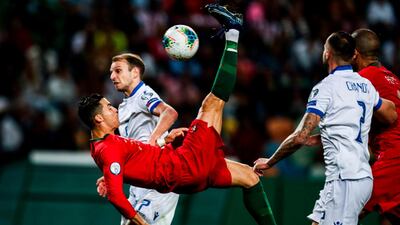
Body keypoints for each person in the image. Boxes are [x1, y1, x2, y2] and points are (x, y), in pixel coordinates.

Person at [78, 3, 276, 225]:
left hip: (178, 172)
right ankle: (232, 32)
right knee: (213, 103)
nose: (112, 107)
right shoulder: (111, 142)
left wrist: (162, 141)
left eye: (117, 71)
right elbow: (125, 167)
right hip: (181, 167)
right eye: (107, 108)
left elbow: (152, 133)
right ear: (98, 118)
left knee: (250, 178)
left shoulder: (114, 132)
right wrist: (156, 143)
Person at [253, 31, 397, 225]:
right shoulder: (368, 84)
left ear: (327, 54)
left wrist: (270, 162)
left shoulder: (328, 86)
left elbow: (300, 136)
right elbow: (391, 114)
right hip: (356, 176)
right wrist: (327, 134)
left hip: (349, 177)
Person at [96, 52, 180, 225]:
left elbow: (169, 112)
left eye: (118, 71)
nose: (112, 76)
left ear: (135, 72)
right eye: (111, 72)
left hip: (159, 179)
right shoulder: (124, 106)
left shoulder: (143, 94)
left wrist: (154, 139)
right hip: (139, 183)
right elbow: (130, 149)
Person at [352, 28, 400, 225]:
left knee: (344, 209)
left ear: (354, 53)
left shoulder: (362, 80)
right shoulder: (393, 78)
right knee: (390, 219)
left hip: (393, 159)